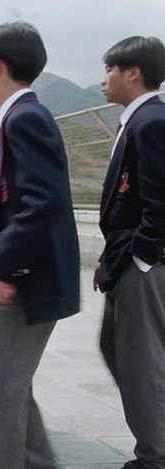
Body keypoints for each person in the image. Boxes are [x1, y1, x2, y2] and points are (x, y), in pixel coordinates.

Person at [0, 22, 80, 469]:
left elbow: (42, 200)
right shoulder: (14, 116)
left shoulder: (26, 117)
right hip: (20, 273)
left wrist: (5, 265)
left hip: (24, 280)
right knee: (9, 387)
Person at [96, 36, 165, 469]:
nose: (103, 79)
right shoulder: (139, 120)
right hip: (130, 257)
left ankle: (155, 456)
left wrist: (141, 256)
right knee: (118, 348)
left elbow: (160, 200)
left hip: (145, 264)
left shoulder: (151, 121)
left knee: (141, 360)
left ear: (133, 73)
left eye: (110, 70)